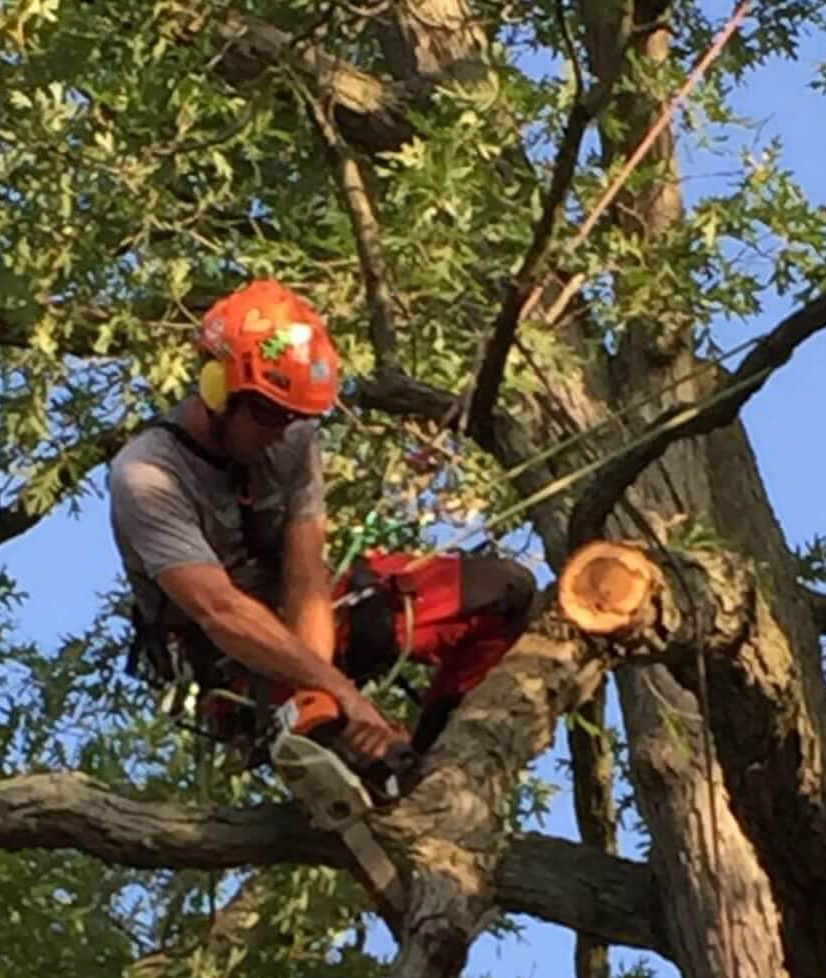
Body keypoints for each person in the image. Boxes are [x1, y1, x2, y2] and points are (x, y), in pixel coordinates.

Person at [109, 278, 536, 784]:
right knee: (350, 756)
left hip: (316, 627)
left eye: (292, 416)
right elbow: (219, 611)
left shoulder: (291, 439)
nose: (279, 430)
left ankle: (437, 756)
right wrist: (338, 697)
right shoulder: (147, 476)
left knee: (505, 592)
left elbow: (306, 575)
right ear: (216, 386)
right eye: (267, 413)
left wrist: (329, 689)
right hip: (235, 666)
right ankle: (387, 770)